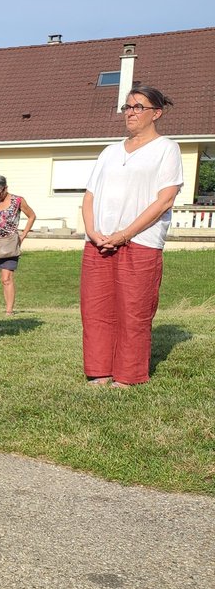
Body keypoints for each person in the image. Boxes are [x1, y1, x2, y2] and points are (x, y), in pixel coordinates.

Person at [81, 85, 185, 388]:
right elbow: (89, 196)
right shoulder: (109, 152)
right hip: (99, 242)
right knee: (96, 309)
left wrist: (125, 234)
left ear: (156, 113)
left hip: (140, 242)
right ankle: (99, 370)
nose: (130, 112)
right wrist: (92, 231)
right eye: (127, 106)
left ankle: (128, 376)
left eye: (138, 107)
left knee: (134, 311)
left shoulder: (167, 149)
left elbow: (165, 199)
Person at [0, 175, 36, 316]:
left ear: (5, 188)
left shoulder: (17, 200)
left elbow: (31, 216)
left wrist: (23, 235)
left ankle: (9, 310)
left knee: (6, 278)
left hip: (9, 244)